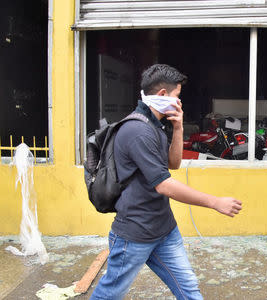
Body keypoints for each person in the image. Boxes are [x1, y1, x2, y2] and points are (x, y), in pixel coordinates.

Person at [90, 64, 242, 300]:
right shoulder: (137, 131)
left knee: (188, 288)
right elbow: (164, 184)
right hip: (134, 234)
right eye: (177, 96)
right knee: (110, 293)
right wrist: (214, 202)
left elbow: (173, 163)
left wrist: (178, 126)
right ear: (162, 95)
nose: (179, 102)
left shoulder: (154, 125)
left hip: (163, 229)